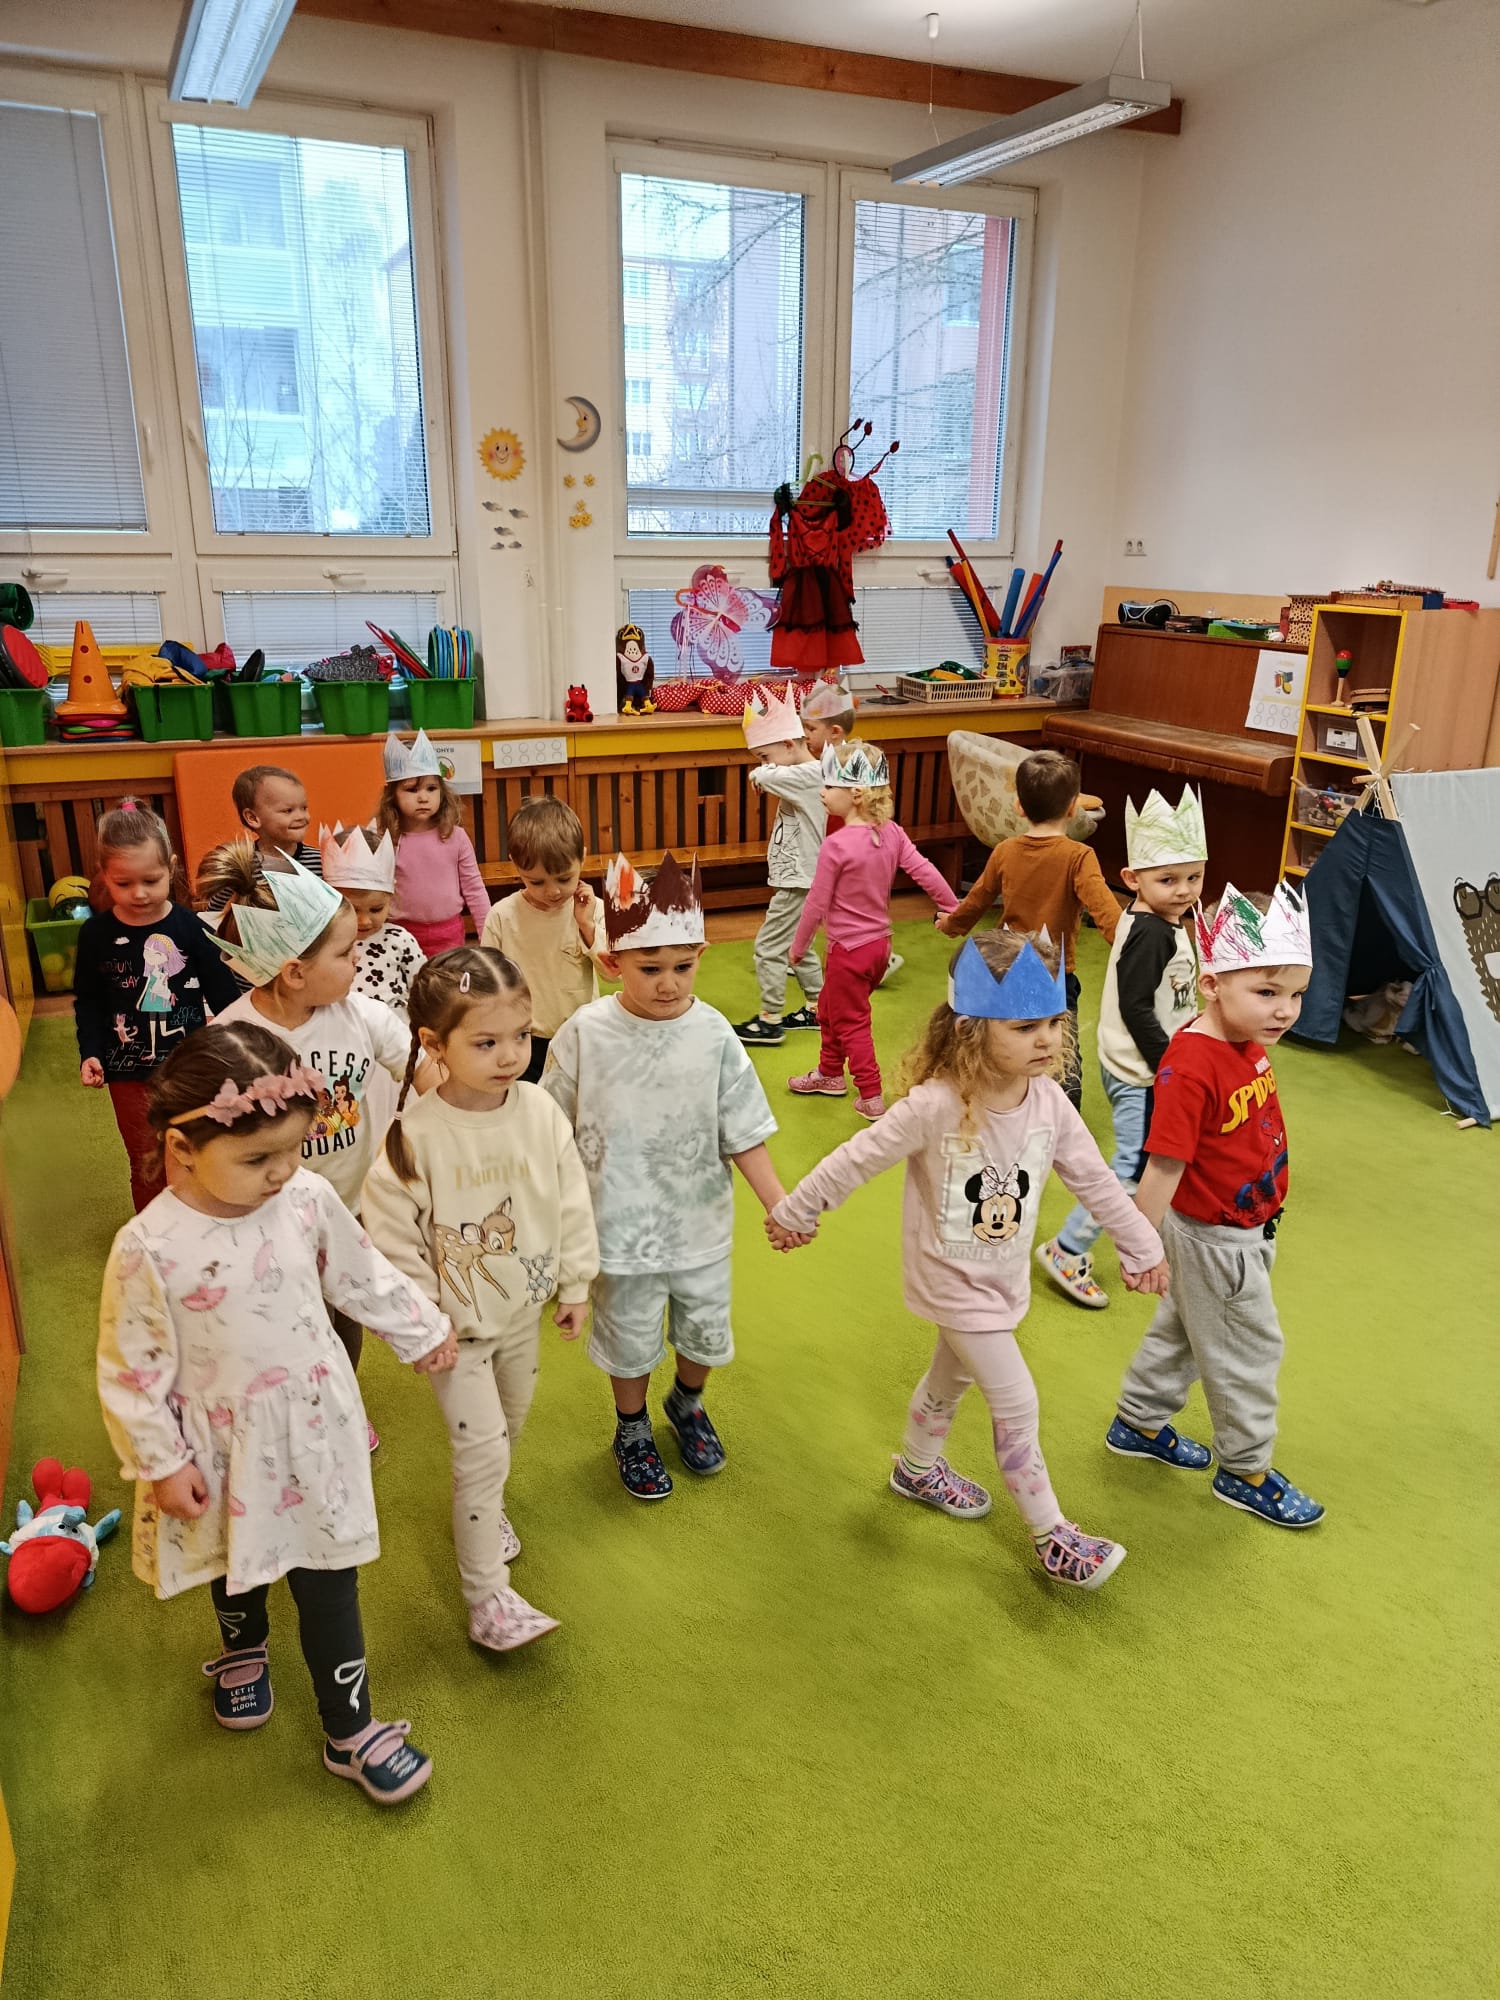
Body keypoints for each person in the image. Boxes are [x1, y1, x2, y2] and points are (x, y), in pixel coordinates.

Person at [96, 1021, 457, 1804]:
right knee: (235, 1559)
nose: (283, 1171)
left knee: (330, 1575)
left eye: (294, 1149)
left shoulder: (306, 1198)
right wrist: (162, 1461)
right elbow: (131, 1370)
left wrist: (421, 1329)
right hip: (217, 1444)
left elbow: (359, 1275)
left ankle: (350, 1730)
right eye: (258, 1158)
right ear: (182, 1148)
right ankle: (244, 1649)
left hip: (313, 1425)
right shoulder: (147, 1247)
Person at [768, 930, 1168, 1590]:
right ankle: (1052, 1535)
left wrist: (1142, 1243)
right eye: (1025, 1027)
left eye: (1053, 1024)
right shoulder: (935, 1105)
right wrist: (795, 1210)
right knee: (1016, 1400)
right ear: (971, 1031)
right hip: (951, 1281)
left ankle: (916, 1469)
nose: (1047, 1040)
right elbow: (856, 1159)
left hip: (1001, 1275)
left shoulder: (1048, 1103)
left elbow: (1095, 1180)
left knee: (949, 1379)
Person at [363, 948, 598, 1652]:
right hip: (453, 1335)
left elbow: (571, 1198)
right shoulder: (412, 1136)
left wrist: (576, 1281)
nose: (511, 1056)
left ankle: (486, 1505)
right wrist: (422, 1323)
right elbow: (392, 1240)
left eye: (520, 1036)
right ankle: (487, 1597)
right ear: (434, 1044)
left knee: (508, 1429)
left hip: (521, 1316)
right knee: (484, 1450)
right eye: (486, 1042)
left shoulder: (539, 1111)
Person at [543, 852, 784, 1500]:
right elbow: (547, 1127)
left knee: (705, 1332)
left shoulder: (714, 1034)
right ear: (612, 962)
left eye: (683, 966)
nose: (669, 983)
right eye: (650, 969)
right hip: (617, 1227)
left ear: (702, 954)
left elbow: (744, 1128)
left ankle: (686, 1401)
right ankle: (631, 1428)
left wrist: (777, 1203)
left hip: (699, 1223)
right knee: (628, 1340)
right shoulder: (585, 1033)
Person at [1106, 882, 1324, 1527]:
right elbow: (1163, 1164)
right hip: (1216, 1236)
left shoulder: (1246, 1039)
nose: (1285, 1011)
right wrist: (1140, 1245)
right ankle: (1245, 1470)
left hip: (1243, 1227)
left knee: (1186, 1327)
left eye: (1296, 994)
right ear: (1211, 984)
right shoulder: (1192, 1065)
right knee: (1248, 1350)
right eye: (1267, 992)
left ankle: (1139, 1423)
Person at [209, 854, 435, 1449]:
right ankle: (288, 1412)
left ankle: (342, 1401)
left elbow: (423, 1069)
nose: (359, 957)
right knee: (289, 1320)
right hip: (268, 1220)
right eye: (344, 952)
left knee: (343, 1311)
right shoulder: (232, 1040)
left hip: (348, 1208)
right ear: (294, 972)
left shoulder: (360, 1014)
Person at [1037, 786, 1207, 1308]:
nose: (1184, 890)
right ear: (1133, 879)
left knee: (1155, 1155)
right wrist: (1169, 1065)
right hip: (1140, 1070)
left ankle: (1155, 1229)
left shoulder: (1161, 921)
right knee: (1130, 1167)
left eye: (1194, 877)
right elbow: (1135, 1007)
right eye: (1168, 880)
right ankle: (1068, 1248)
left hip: (1149, 1064)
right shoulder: (1152, 934)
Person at [74, 800, 240, 1212]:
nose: (139, 893)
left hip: (189, 1070)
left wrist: (244, 1045)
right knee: (146, 1159)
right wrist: (91, 1051)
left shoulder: (190, 928)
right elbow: (89, 1001)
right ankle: (154, 1236)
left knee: (199, 1149)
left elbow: (225, 996)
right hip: (128, 1073)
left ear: (171, 867)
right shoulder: (95, 935)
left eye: (151, 879)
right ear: (104, 875)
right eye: (123, 883)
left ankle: (202, 1220)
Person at [936, 748, 1120, 1108]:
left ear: (1019, 807)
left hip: (1005, 970)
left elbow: (976, 900)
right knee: (1059, 1049)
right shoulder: (1079, 856)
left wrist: (950, 924)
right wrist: (1129, 943)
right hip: (1054, 974)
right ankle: (1062, 1113)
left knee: (1003, 1040)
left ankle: (994, 1105)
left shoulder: (1005, 850)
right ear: (1073, 808)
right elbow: (1106, 912)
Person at [788, 741, 959, 1121]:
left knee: (851, 1022)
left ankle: (870, 1094)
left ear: (856, 793)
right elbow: (925, 870)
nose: (822, 792)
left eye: (829, 785)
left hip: (847, 952)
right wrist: (953, 907)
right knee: (829, 1008)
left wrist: (798, 947)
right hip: (879, 948)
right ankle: (830, 1073)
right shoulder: (892, 832)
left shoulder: (836, 845)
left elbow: (815, 903)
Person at [480, 796, 605, 1084]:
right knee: (529, 1106)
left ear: (582, 857)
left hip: (583, 1036)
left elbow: (613, 972)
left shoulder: (592, 909)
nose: (552, 891)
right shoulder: (502, 916)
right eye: (536, 882)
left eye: (564, 878)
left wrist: (586, 926)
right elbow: (488, 987)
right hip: (524, 1040)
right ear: (515, 865)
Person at [733, 686, 825, 1047]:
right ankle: (817, 1008)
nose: (762, 764)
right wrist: (768, 770)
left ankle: (770, 1019)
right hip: (804, 877)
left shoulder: (808, 774)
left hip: (800, 880)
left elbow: (766, 777)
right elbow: (773, 776)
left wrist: (761, 774)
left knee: (769, 946)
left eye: (764, 756)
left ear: (788, 743)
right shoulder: (802, 774)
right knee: (798, 945)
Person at [379, 730, 491, 956]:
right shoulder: (386, 840)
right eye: (412, 789)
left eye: (431, 788)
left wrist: (488, 935)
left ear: (442, 791)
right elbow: (375, 892)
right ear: (392, 795)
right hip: (401, 936)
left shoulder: (456, 837)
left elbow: (474, 889)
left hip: (449, 933)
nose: (423, 797)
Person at [319, 823, 425, 1022]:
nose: (364, 921)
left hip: (397, 1033)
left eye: (376, 909)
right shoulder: (320, 943)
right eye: (353, 909)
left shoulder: (400, 940)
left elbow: (423, 989)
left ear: (390, 897)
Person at [200, 767, 322, 909]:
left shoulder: (321, 861)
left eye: (304, 808)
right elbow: (214, 914)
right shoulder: (240, 868)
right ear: (252, 818)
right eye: (288, 810)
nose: (301, 817)